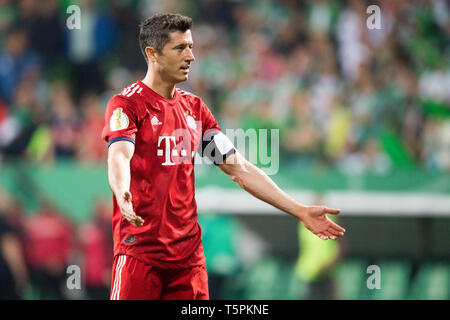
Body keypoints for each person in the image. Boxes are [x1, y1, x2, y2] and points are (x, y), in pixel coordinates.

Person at [102, 13, 346, 300]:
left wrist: (299, 210)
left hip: (188, 262)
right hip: (140, 255)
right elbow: (119, 154)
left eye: (191, 46)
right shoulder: (128, 104)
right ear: (152, 53)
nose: (191, 56)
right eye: (180, 48)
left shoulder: (194, 109)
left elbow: (238, 168)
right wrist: (121, 189)